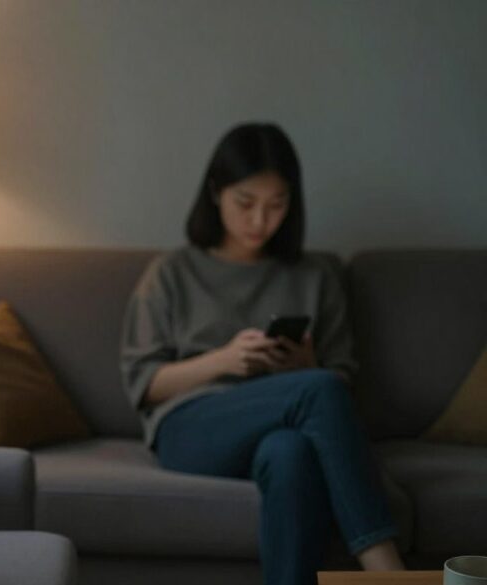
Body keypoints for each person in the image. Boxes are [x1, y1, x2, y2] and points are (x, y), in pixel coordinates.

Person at [119, 123, 404, 585]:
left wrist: (305, 369)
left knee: (289, 452)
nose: (260, 221)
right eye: (245, 204)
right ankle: (389, 574)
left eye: (277, 205)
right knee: (318, 392)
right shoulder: (172, 272)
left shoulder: (315, 276)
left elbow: (341, 381)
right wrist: (224, 360)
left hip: (290, 421)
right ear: (216, 193)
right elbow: (143, 384)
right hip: (192, 425)